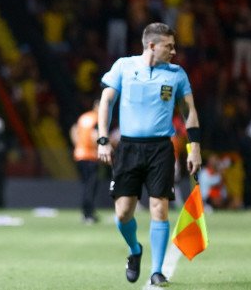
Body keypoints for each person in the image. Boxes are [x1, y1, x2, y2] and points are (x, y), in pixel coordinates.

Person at [97, 23, 202, 287]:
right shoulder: (124, 66)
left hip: (161, 149)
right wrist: (102, 139)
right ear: (152, 45)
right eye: (169, 46)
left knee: (160, 209)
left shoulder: (177, 75)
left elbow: (189, 111)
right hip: (129, 148)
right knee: (122, 214)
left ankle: (157, 271)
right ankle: (135, 250)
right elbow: (106, 101)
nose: (174, 51)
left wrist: (195, 148)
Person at [71, 99, 101, 224]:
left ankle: (86, 212)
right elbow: (96, 136)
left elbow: (74, 130)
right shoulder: (97, 119)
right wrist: (101, 148)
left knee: (85, 185)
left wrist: (77, 145)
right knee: (91, 185)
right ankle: (88, 213)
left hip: (79, 154)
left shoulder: (84, 117)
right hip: (90, 156)